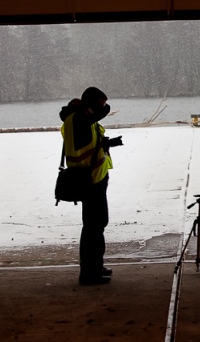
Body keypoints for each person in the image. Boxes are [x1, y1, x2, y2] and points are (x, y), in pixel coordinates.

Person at [59, 87, 123, 285]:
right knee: (93, 228)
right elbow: (101, 113)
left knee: (96, 226)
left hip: (90, 177)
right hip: (90, 180)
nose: (104, 109)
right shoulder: (81, 120)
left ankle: (96, 266)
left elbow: (87, 144)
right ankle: (89, 273)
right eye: (100, 105)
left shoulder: (74, 119)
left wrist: (106, 144)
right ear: (89, 108)